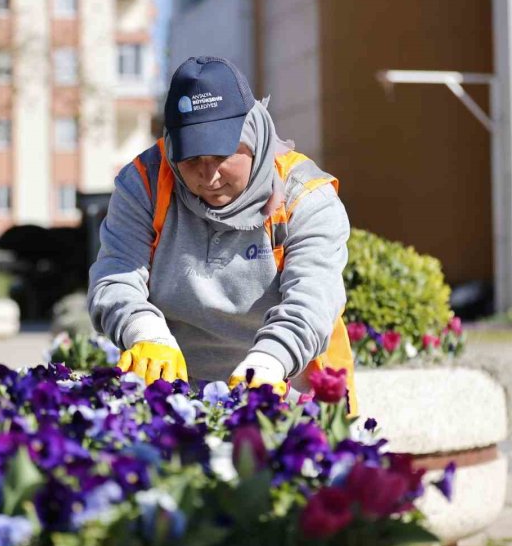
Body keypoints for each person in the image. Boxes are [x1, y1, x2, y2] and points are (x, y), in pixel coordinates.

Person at [88, 56, 356, 411]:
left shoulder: (305, 195)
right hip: (172, 397)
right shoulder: (145, 184)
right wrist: (144, 332)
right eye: (191, 158)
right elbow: (115, 276)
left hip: (290, 389)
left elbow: (313, 300)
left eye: (221, 154)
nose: (209, 175)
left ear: (253, 136)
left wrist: (268, 364)